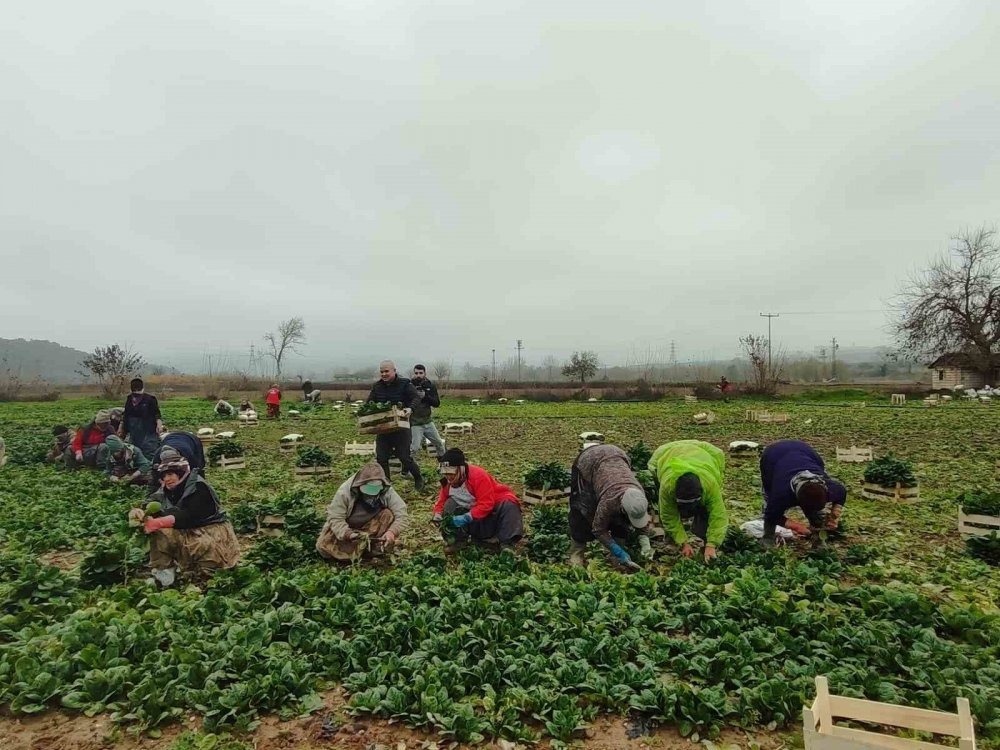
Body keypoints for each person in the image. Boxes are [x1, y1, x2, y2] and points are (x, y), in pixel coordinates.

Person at [128, 453, 240, 586]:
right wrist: (141, 512)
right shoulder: (166, 490)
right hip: (184, 529)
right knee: (159, 533)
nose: (167, 479)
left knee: (201, 545)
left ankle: (208, 574)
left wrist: (160, 522)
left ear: (181, 473)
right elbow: (152, 504)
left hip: (209, 529)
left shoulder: (198, 486)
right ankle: (164, 573)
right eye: (163, 476)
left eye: (170, 474)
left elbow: (192, 515)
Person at [568, 444, 651, 571]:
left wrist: (645, 541)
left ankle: (616, 559)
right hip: (589, 462)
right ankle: (576, 554)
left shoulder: (639, 494)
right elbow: (598, 529)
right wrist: (616, 550)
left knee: (621, 521)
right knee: (583, 509)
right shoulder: (609, 500)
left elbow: (640, 514)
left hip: (618, 456)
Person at [649, 440, 729, 562]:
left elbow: (718, 515)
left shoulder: (710, 485)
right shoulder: (667, 487)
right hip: (666, 453)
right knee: (664, 507)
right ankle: (672, 540)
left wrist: (712, 544)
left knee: (706, 512)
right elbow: (668, 515)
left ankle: (705, 542)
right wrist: (683, 542)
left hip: (705, 453)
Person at [315, 462, 409, 561]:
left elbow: (402, 515)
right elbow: (335, 517)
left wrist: (391, 532)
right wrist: (348, 534)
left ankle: (374, 546)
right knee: (323, 547)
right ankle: (359, 549)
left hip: (371, 527)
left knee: (387, 514)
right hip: (348, 527)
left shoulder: (387, 491)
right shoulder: (345, 492)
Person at [759, 440, 846, 546]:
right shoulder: (781, 494)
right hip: (773, 456)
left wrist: (834, 515)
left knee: (815, 512)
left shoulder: (831, 488)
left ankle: (818, 531)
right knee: (770, 500)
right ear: (795, 499)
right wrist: (796, 526)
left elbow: (842, 493)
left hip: (807, 452)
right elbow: (771, 515)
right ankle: (768, 537)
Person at [432, 448, 523, 549]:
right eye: (445, 473)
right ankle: (458, 541)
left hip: (488, 512)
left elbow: (486, 504)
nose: (448, 477)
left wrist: (467, 517)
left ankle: (507, 543)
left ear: (461, 469)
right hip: (472, 512)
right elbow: (441, 501)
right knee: (449, 504)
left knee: (509, 505)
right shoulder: (446, 482)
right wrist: (437, 514)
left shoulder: (478, 476)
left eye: (451, 473)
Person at [366, 361, 424, 490]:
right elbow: (369, 402)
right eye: (382, 372)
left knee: (404, 457)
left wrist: (410, 409)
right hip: (384, 428)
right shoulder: (377, 386)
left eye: (386, 371)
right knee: (381, 458)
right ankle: (387, 485)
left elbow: (416, 398)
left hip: (401, 428)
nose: (384, 374)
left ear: (394, 371)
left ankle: (418, 477)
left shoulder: (405, 384)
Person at [409, 364, 446, 458]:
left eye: (420, 373)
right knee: (414, 448)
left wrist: (425, 396)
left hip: (428, 421)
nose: (418, 375)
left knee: (439, 444)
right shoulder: (409, 385)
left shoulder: (430, 385)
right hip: (415, 423)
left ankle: (443, 465)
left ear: (425, 373)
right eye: (416, 373)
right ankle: (409, 470)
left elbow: (437, 403)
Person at [122, 378, 163, 458]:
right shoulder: (129, 399)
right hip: (134, 429)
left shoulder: (150, 399)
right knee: (135, 449)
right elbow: (126, 414)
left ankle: (149, 464)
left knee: (149, 449)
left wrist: (159, 424)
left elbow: (156, 413)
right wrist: (122, 427)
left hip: (148, 428)